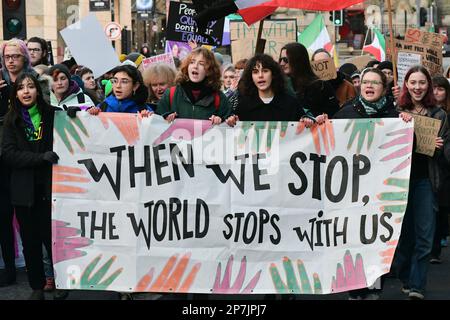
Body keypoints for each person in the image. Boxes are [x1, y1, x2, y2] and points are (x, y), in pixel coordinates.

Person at [334, 68, 404, 300]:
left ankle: (373, 287)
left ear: (384, 89)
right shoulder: (345, 114)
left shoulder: (395, 117)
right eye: (365, 82)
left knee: (375, 239)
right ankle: (355, 288)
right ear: (359, 86)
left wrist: (407, 125)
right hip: (351, 190)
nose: (369, 86)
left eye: (375, 82)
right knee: (354, 238)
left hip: (380, 191)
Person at [1, 73, 59, 300]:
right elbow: (9, 155)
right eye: (21, 88)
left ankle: (61, 282)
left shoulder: (53, 116)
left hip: (51, 191)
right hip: (24, 193)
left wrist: (76, 117)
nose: (26, 91)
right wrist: (40, 158)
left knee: (54, 241)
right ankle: (37, 286)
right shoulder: (10, 120)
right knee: (31, 243)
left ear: (38, 90)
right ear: (15, 94)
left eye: (30, 87)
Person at [394, 65, 449, 300]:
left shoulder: (439, 115)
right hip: (398, 182)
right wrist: (398, 121)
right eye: (413, 82)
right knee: (404, 237)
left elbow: (446, 152)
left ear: (428, 86)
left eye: (422, 83)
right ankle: (406, 276)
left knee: (425, 236)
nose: (417, 87)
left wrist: (439, 148)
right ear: (406, 84)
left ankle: (417, 285)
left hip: (426, 181)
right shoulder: (396, 110)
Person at [0, 38, 38, 288]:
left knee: (29, 218)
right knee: (3, 215)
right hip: (4, 157)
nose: (11, 60)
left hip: (29, 158)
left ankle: (39, 270)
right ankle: (9, 268)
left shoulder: (35, 81)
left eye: (16, 56)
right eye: (7, 56)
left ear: (25, 57)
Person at [226, 53, 311, 123]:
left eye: (265, 71)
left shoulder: (290, 103)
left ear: (273, 74)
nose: (260, 76)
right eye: (255, 72)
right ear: (251, 77)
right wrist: (232, 121)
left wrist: (307, 121)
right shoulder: (243, 106)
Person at [156, 47, 231, 123]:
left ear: (209, 71)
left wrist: (221, 120)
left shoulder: (219, 98)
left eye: (201, 64)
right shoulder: (171, 94)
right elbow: (156, 123)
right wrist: (165, 117)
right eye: (192, 62)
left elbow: (230, 124)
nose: (195, 66)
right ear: (187, 67)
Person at [279, 43, 339, 117]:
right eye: (280, 59)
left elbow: (334, 116)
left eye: (285, 60)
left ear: (298, 60)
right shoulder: (279, 86)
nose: (281, 63)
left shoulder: (321, 86)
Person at [430, 75, 450, 263]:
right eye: (433, 88)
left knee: (442, 209)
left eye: (441, 88)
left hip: (446, 167)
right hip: (435, 166)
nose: (436, 92)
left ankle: (439, 240)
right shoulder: (428, 111)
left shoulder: (445, 115)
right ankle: (433, 248)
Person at [88, 64, 153, 117]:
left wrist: (148, 122)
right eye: (115, 81)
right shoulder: (103, 107)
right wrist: (92, 114)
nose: (118, 86)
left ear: (135, 86)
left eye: (124, 81)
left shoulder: (144, 110)